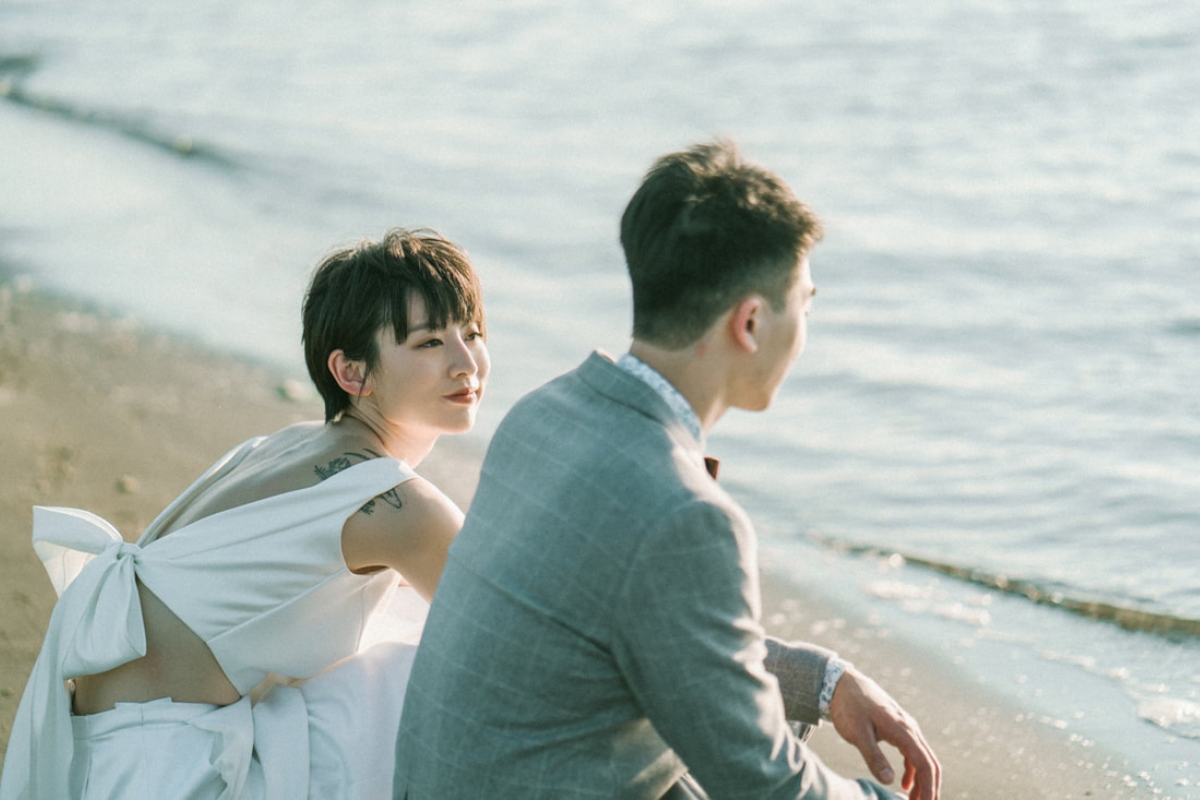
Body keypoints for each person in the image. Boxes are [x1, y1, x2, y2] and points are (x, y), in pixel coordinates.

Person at [395, 141, 941, 799]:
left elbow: (643, 636)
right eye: (806, 301)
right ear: (751, 321)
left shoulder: (545, 414)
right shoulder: (685, 515)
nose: (807, 327)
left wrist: (821, 682)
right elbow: (764, 783)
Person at [0, 229, 489, 799]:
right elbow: (518, 636)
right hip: (178, 776)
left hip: (94, 761)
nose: (466, 363)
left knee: (407, 614)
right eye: (430, 342)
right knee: (424, 668)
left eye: (473, 333)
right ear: (352, 373)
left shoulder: (282, 445)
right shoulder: (400, 506)